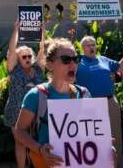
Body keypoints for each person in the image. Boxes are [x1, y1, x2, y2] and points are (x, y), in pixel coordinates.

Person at [14, 38, 91, 168]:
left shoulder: (84, 94)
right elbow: (19, 132)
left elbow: (90, 131)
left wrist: (104, 145)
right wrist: (40, 149)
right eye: (66, 60)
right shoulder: (36, 95)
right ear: (50, 64)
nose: (73, 64)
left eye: (75, 59)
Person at [77, 36, 123, 168]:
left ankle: (119, 164)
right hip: (88, 104)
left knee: (115, 136)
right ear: (82, 48)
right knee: (91, 137)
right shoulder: (77, 61)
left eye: (93, 44)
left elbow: (120, 67)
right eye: (88, 45)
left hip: (109, 101)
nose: (92, 47)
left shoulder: (103, 59)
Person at [3, 21, 46, 168]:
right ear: (18, 59)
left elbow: (42, 49)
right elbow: (12, 48)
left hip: (37, 111)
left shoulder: (39, 68)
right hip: (16, 111)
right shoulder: (14, 69)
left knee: (37, 141)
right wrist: (16, 30)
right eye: (24, 57)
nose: (27, 59)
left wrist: (42, 31)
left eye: (29, 56)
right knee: (20, 142)